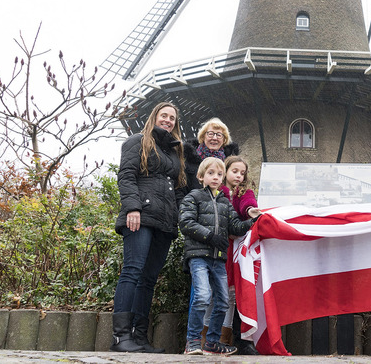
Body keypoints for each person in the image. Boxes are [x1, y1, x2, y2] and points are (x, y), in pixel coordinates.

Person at [112, 102, 187, 353]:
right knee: (133, 271)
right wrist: (133, 208)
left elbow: (177, 189)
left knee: (149, 279)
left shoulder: (175, 152)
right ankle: (121, 337)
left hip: (164, 222)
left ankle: (140, 336)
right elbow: (126, 175)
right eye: (163, 115)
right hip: (141, 216)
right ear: (154, 117)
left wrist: (179, 217)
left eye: (172, 118)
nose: (167, 120)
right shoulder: (138, 141)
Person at [179, 157, 260, 356]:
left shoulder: (225, 202)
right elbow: (186, 223)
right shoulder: (193, 197)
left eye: (219, 174)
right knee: (203, 296)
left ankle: (212, 343)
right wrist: (211, 237)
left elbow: (235, 226)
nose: (215, 177)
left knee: (223, 301)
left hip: (218, 259)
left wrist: (253, 220)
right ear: (201, 176)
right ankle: (193, 341)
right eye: (211, 173)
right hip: (199, 256)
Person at [221, 155, 262, 355]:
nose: (238, 176)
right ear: (225, 170)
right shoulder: (216, 190)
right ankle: (212, 336)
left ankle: (230, 337)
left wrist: (250, 210)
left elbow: (248, 203)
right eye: (234, 171)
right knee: (216, 293)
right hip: (219, 245)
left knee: (232, 294)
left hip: (236, 248)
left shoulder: (244, 192)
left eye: (242, 173)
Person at [184, 117, 239, 191]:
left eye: (219, 135)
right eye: (210, 134)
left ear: (224, 139)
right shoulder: (188, 159)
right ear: (203, 137)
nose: (215, 138)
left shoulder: (230, 163)